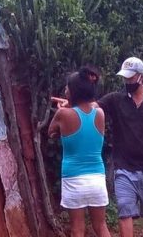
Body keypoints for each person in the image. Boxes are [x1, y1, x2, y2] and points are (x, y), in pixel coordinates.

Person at [97, 56, 143, 237]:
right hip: (124, 168)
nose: (127, 81)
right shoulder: (115, 99)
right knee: (124, 211)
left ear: (141, 77)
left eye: (131, 78)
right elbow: (93, 107)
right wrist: (73, 106)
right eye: (125, 78)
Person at [48, 67, 111, 237]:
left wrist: (64, 107)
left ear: (74, 91)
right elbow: (89, 108)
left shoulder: (62, 114)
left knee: (77, 229)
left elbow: (51, 132)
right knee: (101, 226)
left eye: (67, 87)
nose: (65, 90)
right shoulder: (100, 114)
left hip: (73, 178)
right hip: (97, 177)